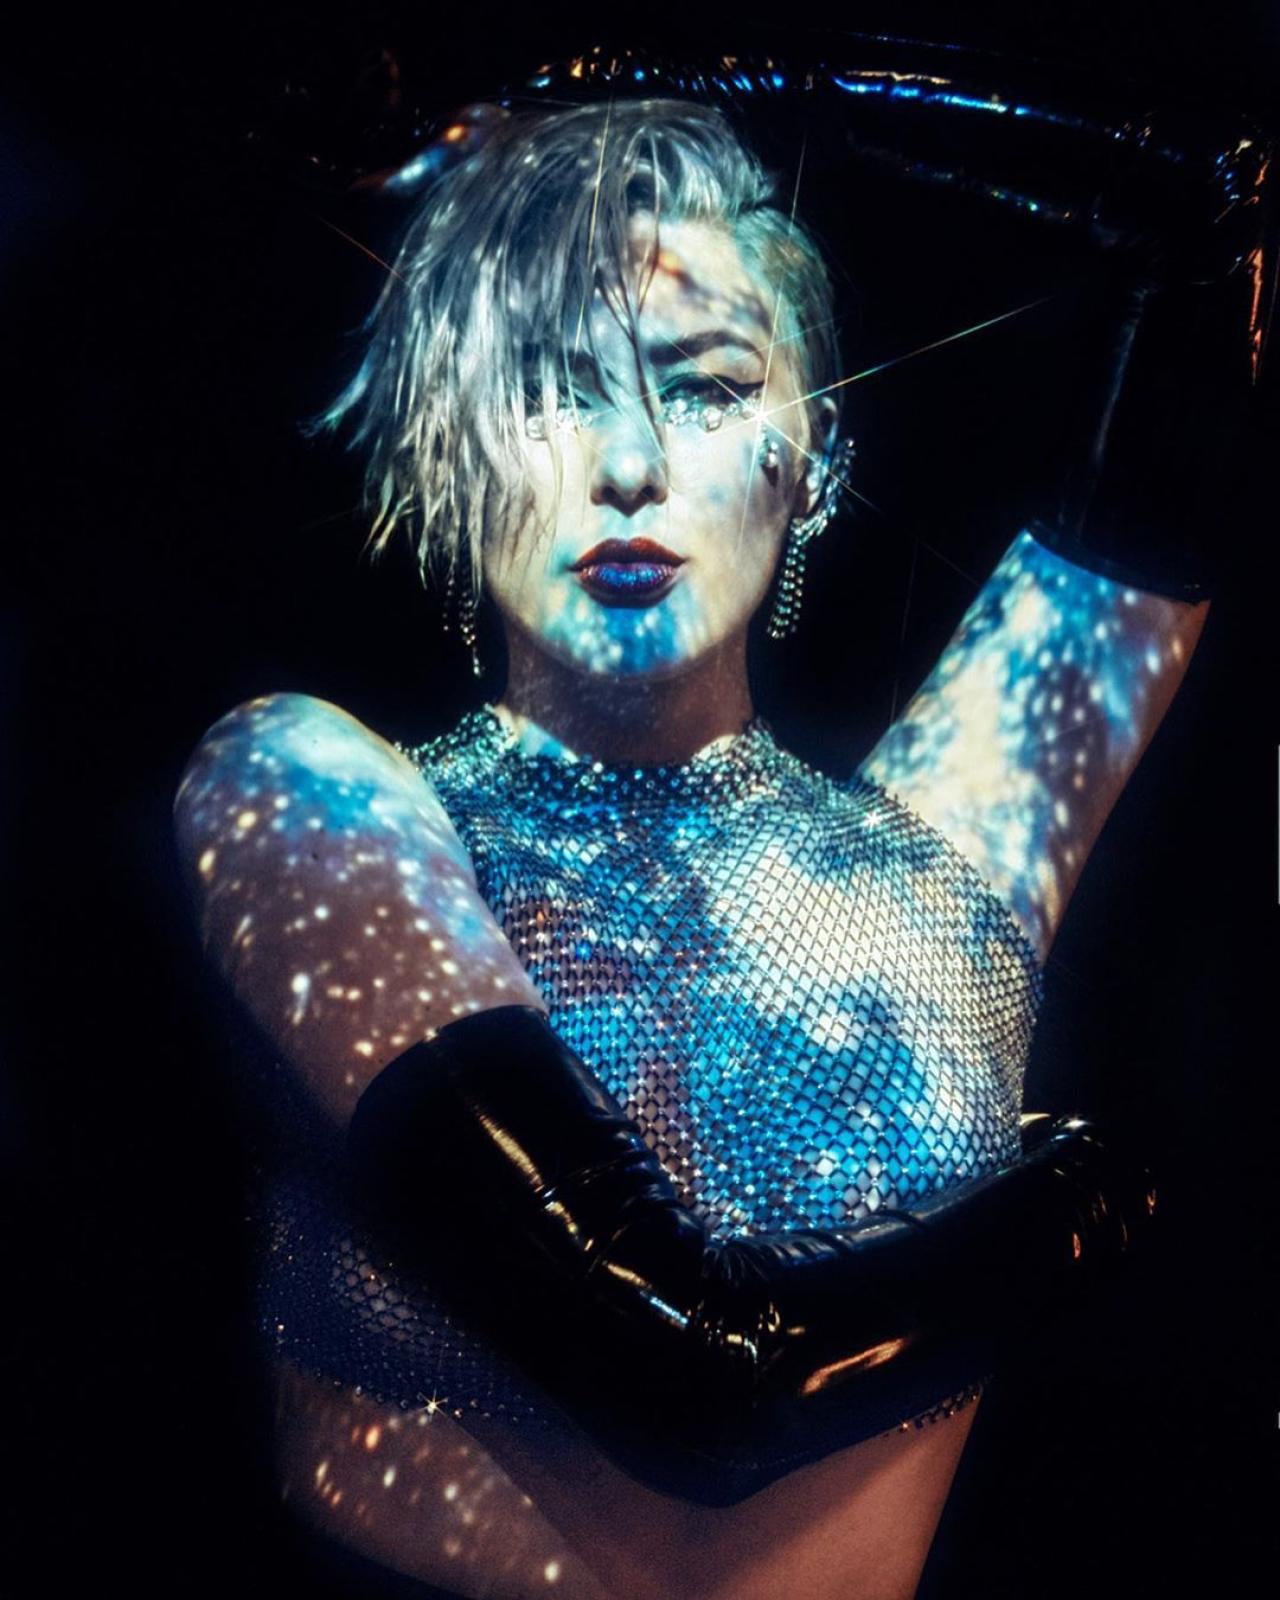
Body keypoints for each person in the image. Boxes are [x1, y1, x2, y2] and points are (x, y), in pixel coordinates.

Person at [172, 67, 1267, 1600]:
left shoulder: (959, 847)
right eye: (550, 389)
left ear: (812, 460)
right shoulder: (307, 794)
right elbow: (695, 1375)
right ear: (457, 450)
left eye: (704, 386)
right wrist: (1075, 1209)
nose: (628, 467)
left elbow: (1215, 218)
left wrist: (766, 76)